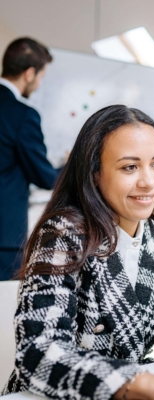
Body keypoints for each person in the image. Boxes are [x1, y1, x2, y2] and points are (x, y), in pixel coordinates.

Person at [2, 105, 154, 400]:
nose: (149, 181)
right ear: (94, 173)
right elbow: (39, 356)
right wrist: (147, 384)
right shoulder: (62, 234)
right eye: (130, 167)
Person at [0, 37, 62, 280]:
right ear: (29, 74)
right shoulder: (22, 115)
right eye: (40, 77)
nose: (38, 85)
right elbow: (45, 177)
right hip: (4, 239)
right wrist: (70, 165)